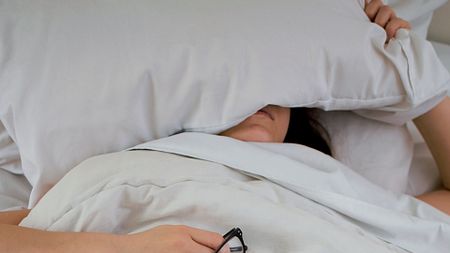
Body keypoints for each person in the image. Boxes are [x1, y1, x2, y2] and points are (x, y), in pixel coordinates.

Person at [1, 1, 447, 252]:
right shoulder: (131, 169)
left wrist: (406, 63)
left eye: (276, 91)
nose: (258, 102)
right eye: (235, 93)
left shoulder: (331, 185)